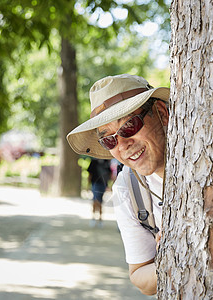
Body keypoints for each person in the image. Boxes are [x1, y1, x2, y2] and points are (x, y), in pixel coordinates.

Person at [67, 74, 169, 295]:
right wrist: (170, 256)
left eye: (129, 125)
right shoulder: (128, 188)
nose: (122, 146)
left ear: (162, 114)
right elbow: (139, 276)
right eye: (109, 139)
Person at [87, 158, 111, 227]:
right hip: (95, 183)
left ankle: (99, 219)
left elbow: (109, 173)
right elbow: (90, 173)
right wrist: (88, 185)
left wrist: (108, 184)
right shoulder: (93, 161)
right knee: (96, 200)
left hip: (103, 184)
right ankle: (94, 218)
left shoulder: (106, 161)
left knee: (100, 201)